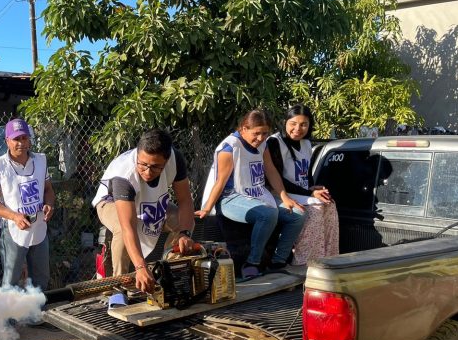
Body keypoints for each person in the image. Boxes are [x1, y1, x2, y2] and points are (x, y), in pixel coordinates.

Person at [196, 109, 305, 280]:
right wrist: (207, 208)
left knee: (297, 215)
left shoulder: (263, 145)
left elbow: (271, 171)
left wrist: (285, 197)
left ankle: (278, 262)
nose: (261, 138)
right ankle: (252, 262)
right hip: (230, 198)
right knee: (268, 214)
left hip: (257, 195)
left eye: (265, 133)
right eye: (256, 133)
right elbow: (220, 181)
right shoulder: (229, 147)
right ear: (243, 128)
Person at [92, 128, 196, 294]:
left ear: (167, 160)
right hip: (110, 202)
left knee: (181, 221)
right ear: (138, 153)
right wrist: (140, 266)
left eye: (155, 167)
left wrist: (184, 234)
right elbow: (128, 227)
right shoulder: (124, 175)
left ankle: (168, 274)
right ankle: (120, 288)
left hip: (150, 201)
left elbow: (185, 201)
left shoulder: (176, 159)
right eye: (143, 164)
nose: (147, 172)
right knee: (120, 227)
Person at [0, 118, 55, 340]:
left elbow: (48, 191)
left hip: (38, 227)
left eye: (25, 138)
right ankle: (5, 326)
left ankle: (34, 315)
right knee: (11, 278)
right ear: (7, 140)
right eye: (16, 139)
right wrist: (14, 216)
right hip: (14, 229)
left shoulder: (41, 161)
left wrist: (49, 204)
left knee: (41, 274)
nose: (21, 143)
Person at [265, 104, 339, 265]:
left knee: (329, 204)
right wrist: (310, 194)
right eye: (293, 123)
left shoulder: (306, 144)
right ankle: (303, 262)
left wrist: (312, 188)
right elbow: (276, 179)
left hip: (301, 193)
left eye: (303, 124)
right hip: (280, 193)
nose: (298, 128)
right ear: (285, 122)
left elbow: (305, 174)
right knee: (317, 207)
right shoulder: (275, 142)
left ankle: (328, 258)